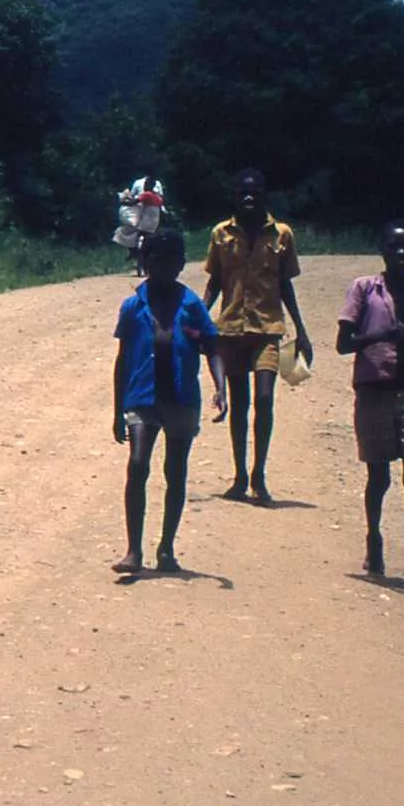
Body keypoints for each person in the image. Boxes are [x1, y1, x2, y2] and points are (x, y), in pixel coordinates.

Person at [112, 229, 227, 575]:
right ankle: (134, 549)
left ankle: (166, 548)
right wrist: (117, 410)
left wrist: (221, 387)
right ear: (146, 262)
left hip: (181, 399)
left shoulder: (191, 305)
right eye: (154, 261)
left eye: (169, 262)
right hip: (142, 397)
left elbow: (211, 347)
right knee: (137, 465)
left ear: (180, 264)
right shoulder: (133, 306)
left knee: (175, 473)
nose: (161, 268)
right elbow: (122, 360)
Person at [337, 221, 404, 600]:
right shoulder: (365, 289)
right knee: (378, 477)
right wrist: (382, 336)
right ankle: (374, 537)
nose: (401, 254)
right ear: (382, 250)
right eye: (395, 248)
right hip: (373, 393)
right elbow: (343, 344)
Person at [202, 168, 311, 505]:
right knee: (239, 404)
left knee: (264, 399)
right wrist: (197, 316)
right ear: (235, 195)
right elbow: (215, 281)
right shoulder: (221, 234)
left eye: (255, 192)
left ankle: (259, 474)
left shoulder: (281, 235)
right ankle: (239, 475)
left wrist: (302, 331)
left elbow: (286, 284)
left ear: (265, 194)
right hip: (231, 328)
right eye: (242, 192)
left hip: (267, 329)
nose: (248, 198)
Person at [113, 175, 166, 276]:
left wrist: (123, 202)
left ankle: (135, 256)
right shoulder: (157, 197)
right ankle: (147, 267)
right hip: (154, 224)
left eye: (146, 184)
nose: (145, 186)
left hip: (145, 223)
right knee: (149, 243)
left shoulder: (147, 195)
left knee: (136, 240)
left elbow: (134, 202)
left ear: (150, 185)